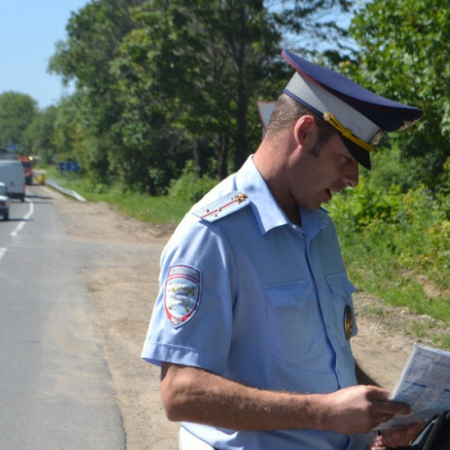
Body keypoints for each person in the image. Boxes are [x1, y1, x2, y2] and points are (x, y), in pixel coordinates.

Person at [141, 49, 424, 450]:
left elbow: (327, 359)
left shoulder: (319, 228)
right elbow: (181, 393)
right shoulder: (213, 234)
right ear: (304, 132)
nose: (354, 180)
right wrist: (324, 412)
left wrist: (384, 413)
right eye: (346, 158)